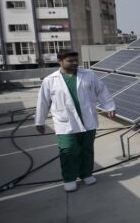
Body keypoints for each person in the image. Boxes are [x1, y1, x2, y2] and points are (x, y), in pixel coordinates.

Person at [35, 49, 115, 192]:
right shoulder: (50, 80)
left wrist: (109, 106)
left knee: (87, 150)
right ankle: (69, 178)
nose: (74, 63)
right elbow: (43, 102)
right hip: (65, 123)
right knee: (68, 151)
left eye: (76, 60)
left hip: (88, 120)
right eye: (70, 61)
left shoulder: (89, 75)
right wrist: (39, 121)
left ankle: (86, 174)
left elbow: (101, 90)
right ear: (60, 61)